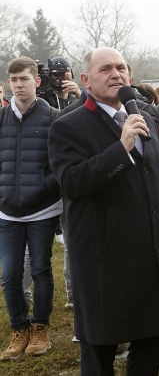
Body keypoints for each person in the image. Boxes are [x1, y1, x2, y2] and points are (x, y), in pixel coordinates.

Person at [47, 47, 159, 375]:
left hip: (149, 253)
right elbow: (72, 183)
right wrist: (120, 149)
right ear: (85, 80)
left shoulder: (144, 116)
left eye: (121, 68)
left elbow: (158, 179)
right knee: (100, 353)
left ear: (131, 76)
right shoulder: (68, 126)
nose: (116, 74)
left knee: (150, 343)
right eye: (106, 69)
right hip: (103, 260)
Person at [0, 57, 61, 361]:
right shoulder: (1, 118)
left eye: (24, 79)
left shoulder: (53, 117)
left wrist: (41, 186)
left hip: (42, 211)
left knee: (40, 269)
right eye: (13, 80)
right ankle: (19, 329)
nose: (18, 85)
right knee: (10, 276)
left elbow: (60, 164)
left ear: (36, 81)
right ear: (8, 83)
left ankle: (41, 328)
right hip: (7, 213)